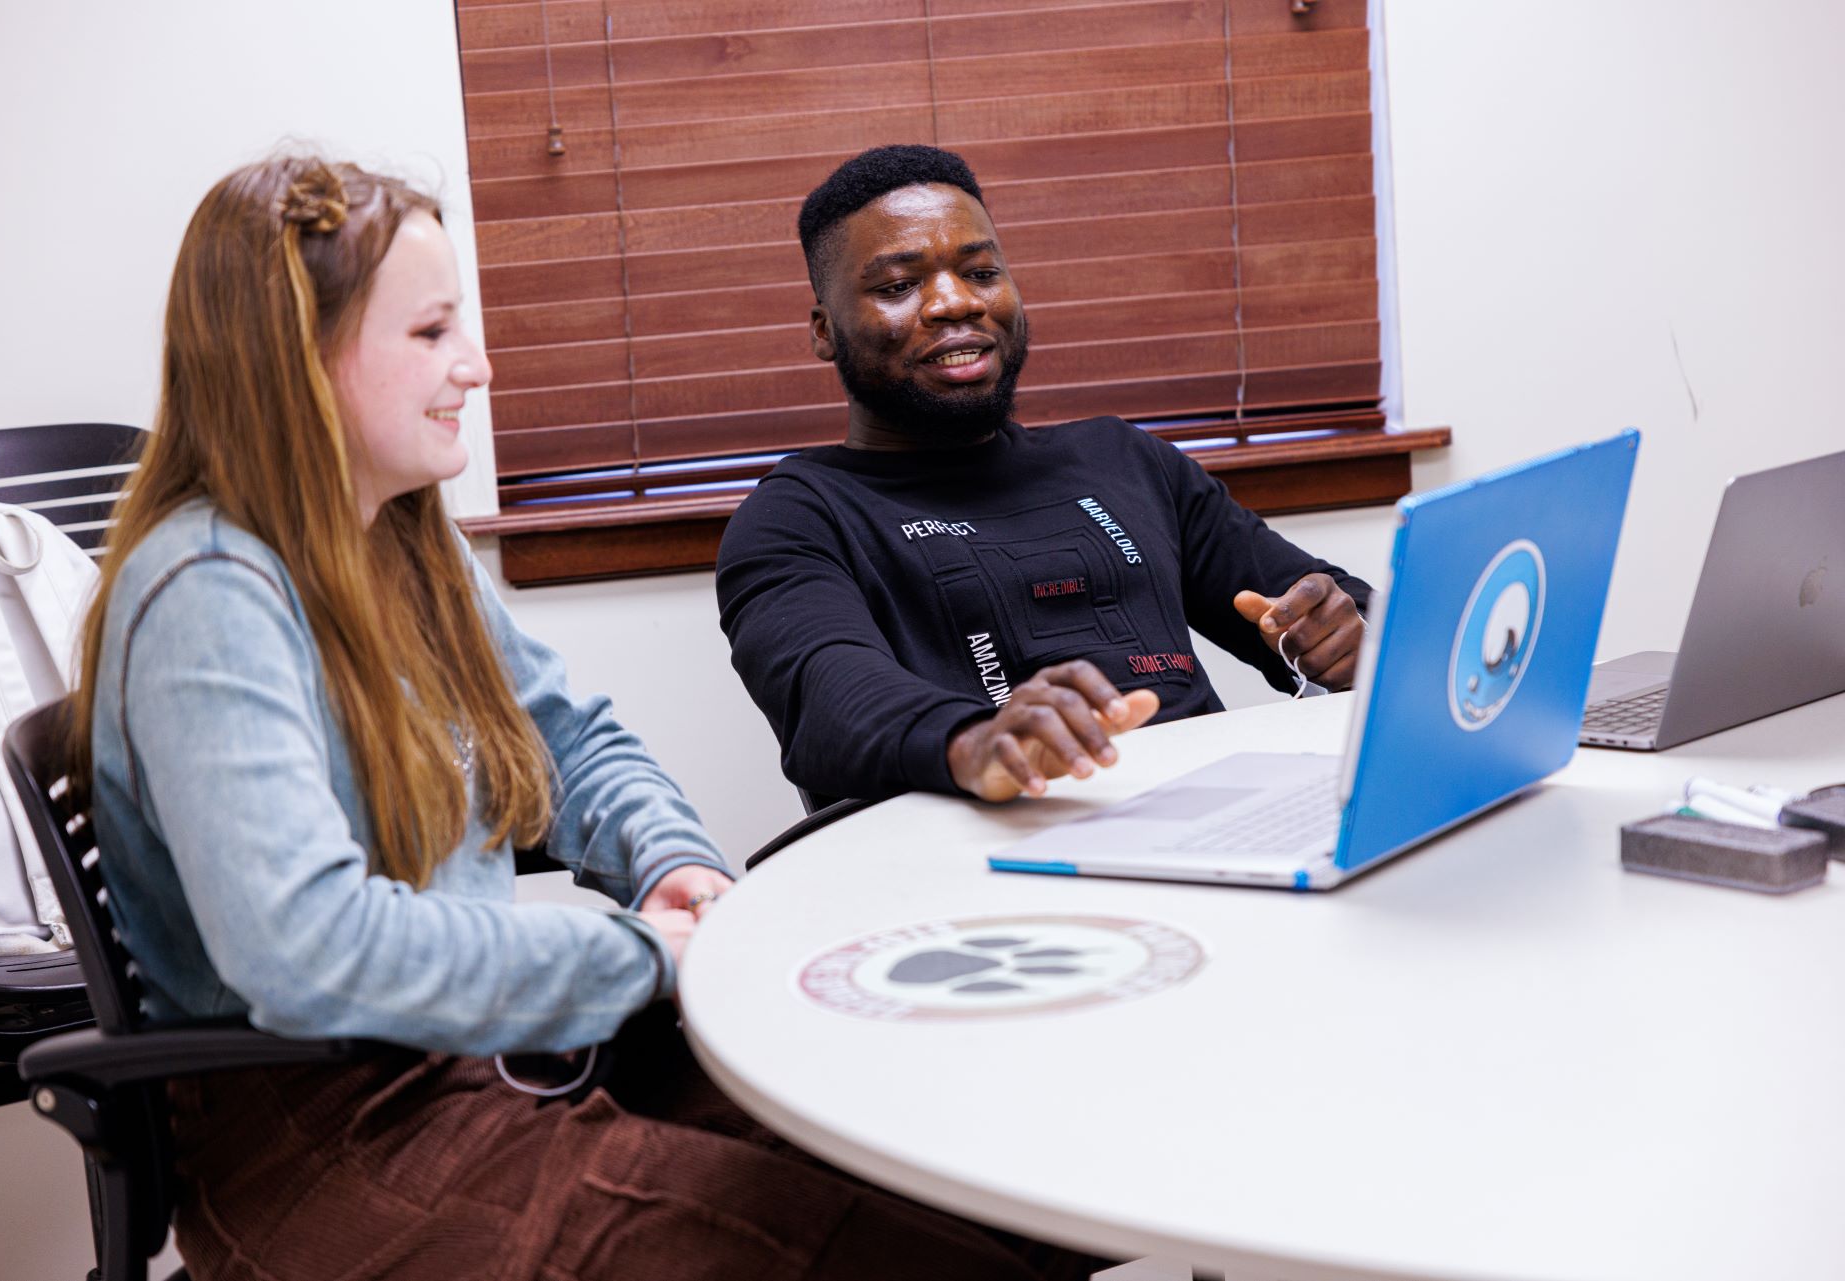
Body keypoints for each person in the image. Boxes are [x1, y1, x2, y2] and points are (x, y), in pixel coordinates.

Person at [70, 153, 1105, 1280]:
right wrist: (636, 953)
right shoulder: (209, 594)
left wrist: (667, 864)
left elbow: (571, 742)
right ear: (296, 362)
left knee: (966, 1153)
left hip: (503, 1048)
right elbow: (310, 951)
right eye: (428, 335)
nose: (477, 364)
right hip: (334, 1138)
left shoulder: (400, 539)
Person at [716, 145, 1375, 806]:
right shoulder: (798, 517)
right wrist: (977, 742)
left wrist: (1348, 637)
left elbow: (1321, 607)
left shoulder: (1123, 459)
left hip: (1220, 820)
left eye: (979, 271)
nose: (953, 303)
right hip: (992, 860)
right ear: (825, 331)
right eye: (898, 285)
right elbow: (830, 703)